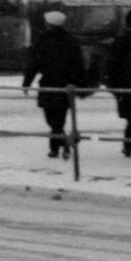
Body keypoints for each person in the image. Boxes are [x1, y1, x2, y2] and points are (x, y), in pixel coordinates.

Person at [22, 10, 87, 159]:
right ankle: (61, 144)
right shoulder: (70, 41)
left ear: (48, 24)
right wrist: (81, 84)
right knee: (59, 118)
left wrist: (27, 82)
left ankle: (56, 147)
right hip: (65, 85)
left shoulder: (42, 40)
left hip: (48, 84)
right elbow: (78, 64)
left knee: (51, 119)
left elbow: (34, 63)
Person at [105, 9, 131, 159]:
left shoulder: (121, 40)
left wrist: (111, 82)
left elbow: (112, 63)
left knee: (130, 116)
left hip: (123, 82)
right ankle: (127, 146)